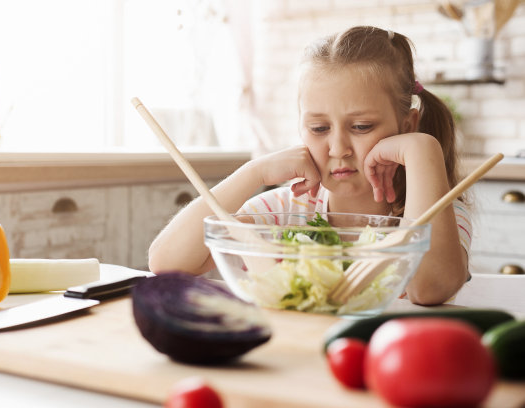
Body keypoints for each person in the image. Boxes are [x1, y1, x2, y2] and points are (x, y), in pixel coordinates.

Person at [148, 26, 471, 306]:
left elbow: (429, 290)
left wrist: (422, 152)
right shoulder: (287, 209)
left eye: (361, 127)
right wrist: (253, 172)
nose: (338, 149)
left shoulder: (438, 211)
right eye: (319, 129)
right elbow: (167, 263)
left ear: (406, 125)